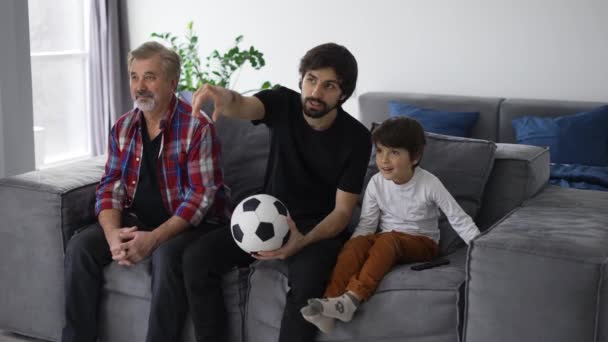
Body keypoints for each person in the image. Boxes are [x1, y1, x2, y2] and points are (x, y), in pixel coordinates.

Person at [182, 42, 372, 342]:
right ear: (301, 80)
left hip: (318, 230)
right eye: (311, 80)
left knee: (308, 287)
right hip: (268, 215)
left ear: (343, 94)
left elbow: (342, 212)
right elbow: (243, 105)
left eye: (329, 85)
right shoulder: (283, 102)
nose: (316, 92)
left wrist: (301, 242)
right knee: (196, 259)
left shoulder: (358, 138)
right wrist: (224, 96)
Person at [62, 41, 225, 342]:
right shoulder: (122, 127)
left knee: (166, 257)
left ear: (172, 82)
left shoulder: (197, 127)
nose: (140, 87)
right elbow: (109, 187)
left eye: (149, 77)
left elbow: (200, 198)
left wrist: (153, 239)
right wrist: (112, 235)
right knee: (81, 247)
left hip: (190, 225)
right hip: (138, 217)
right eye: (134, 77)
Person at [301, 117, 481, 333]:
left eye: (394, 152)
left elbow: (458, 218)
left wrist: (482, 250)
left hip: (422, 243)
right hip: (387, 239)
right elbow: (367, 224)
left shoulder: (429, 183)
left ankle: (352, 299)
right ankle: (330, 304)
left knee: (388, 239)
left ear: (414, 157)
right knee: (356, 243)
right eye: (379, 151)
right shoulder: (376, 182)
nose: (384, 160)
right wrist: (353, 246)